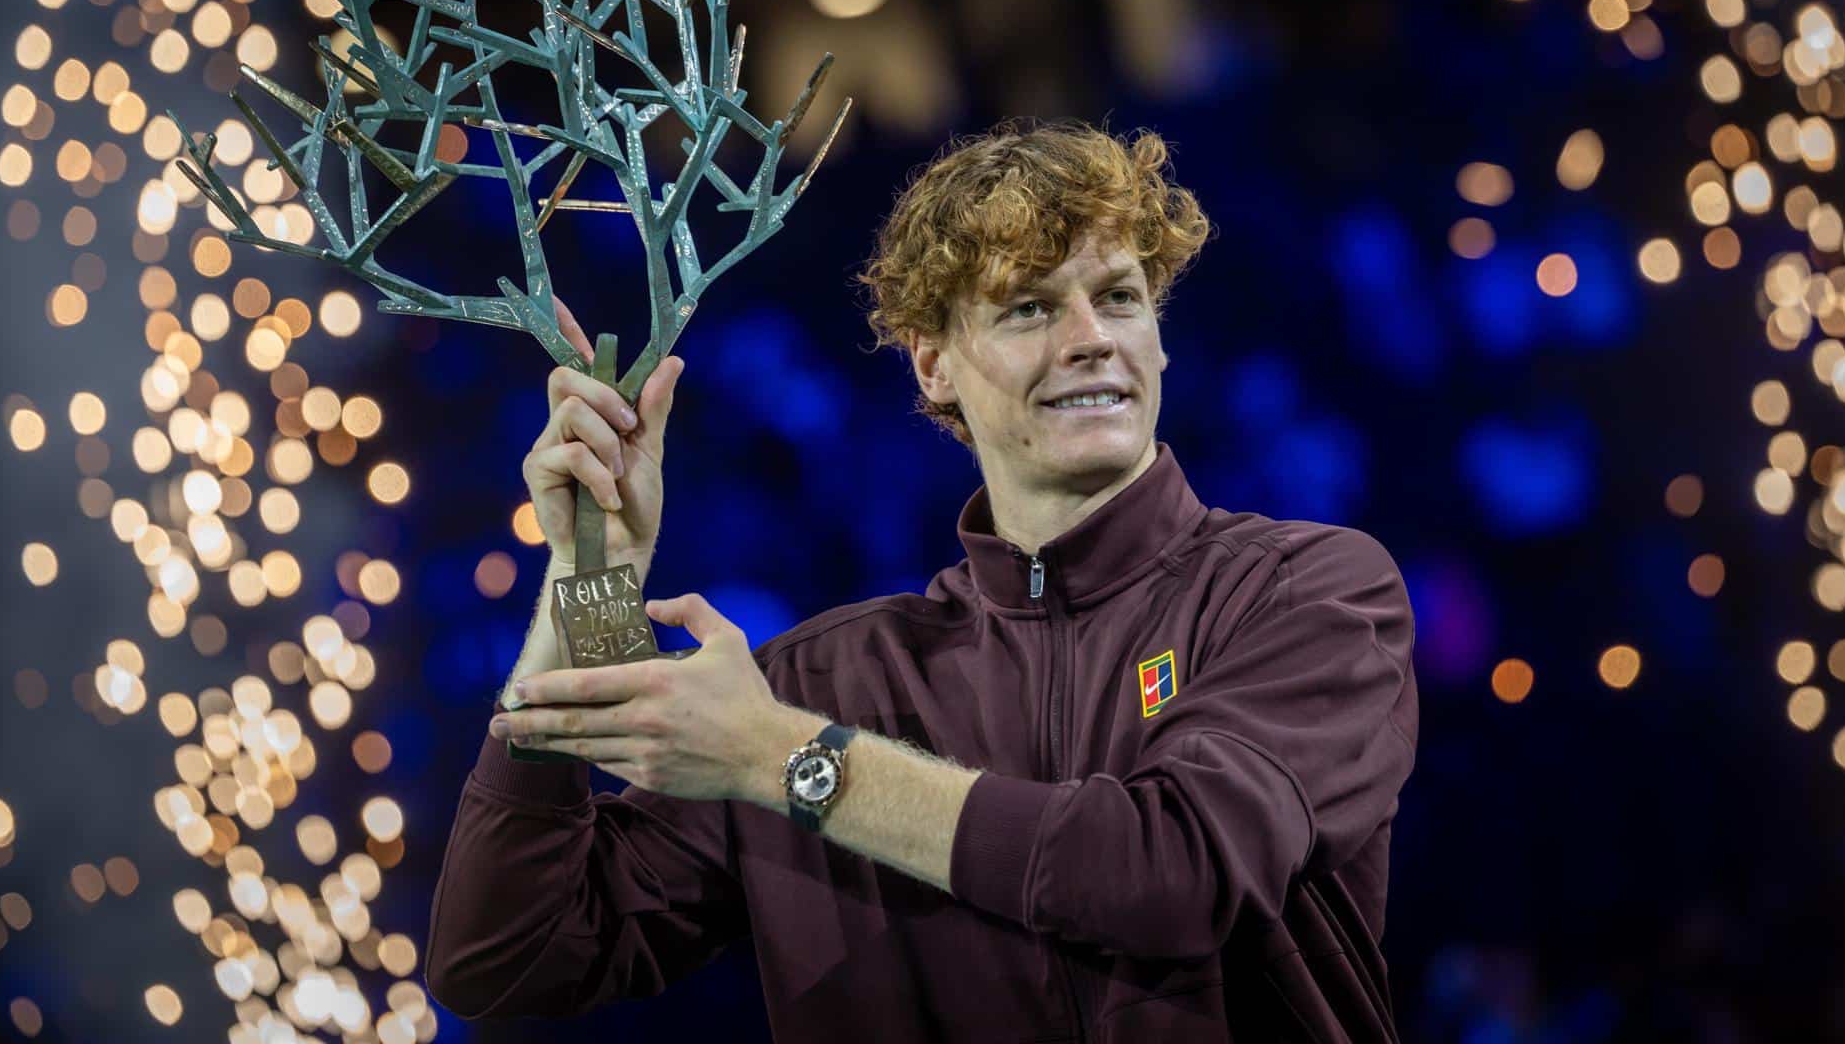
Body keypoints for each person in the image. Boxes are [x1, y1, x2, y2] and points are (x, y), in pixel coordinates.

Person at [424, 118, 1419, 1042]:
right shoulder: (823, 683)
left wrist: (781, 758)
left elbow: (1169, 873)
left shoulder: (1309, 591)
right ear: (935, 366)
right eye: (1029, 307)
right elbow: (510, 955)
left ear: (1158, 336)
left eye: (1119, 296)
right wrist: (589, 577)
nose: (1091, 336)